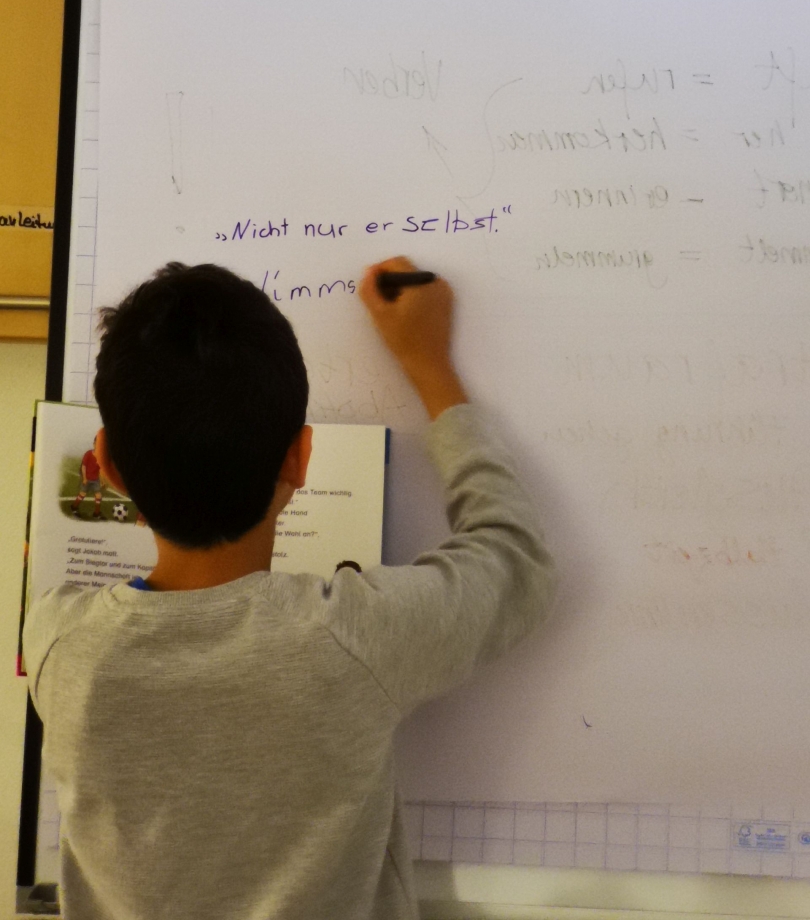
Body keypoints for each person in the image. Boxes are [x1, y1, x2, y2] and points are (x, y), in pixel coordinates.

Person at [23, 258, 557, 920]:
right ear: (301, 458)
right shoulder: (352, 638)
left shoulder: (57, 642)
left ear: (105, 466)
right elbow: (515, 557)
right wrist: (430, 368)